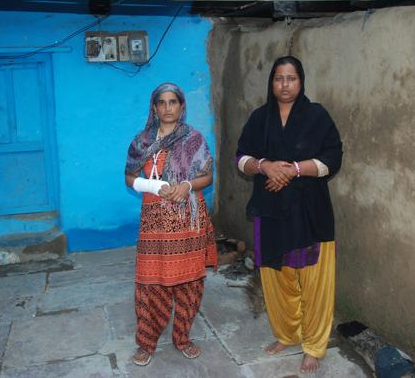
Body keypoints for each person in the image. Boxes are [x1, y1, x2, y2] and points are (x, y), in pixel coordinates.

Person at [236, 56, 343, 373]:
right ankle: (287, 333)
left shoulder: (317, 116)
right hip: (270, 212)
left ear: (301, 81)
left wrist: (295, 170)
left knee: (314, 282)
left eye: (291, 78)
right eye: (279, 78)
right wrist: (265, 166)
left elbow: (332, 159)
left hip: (310, 212)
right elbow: (241, 157)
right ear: (271, 82)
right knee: (277, 278)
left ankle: (314, 345)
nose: (285, 84)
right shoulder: (260, 118)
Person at [125, 82, 217, 366]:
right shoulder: (141, 141)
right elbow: (129, 177)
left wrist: (187, 185)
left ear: (181, 106)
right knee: (151, 281)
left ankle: (183, 337)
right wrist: (153, 186)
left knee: (188, 282)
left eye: (172, 102)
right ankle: (146, 342)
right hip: (154, 221)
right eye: (162, 103)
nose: (167, 108)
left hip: (187, 220)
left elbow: (208, 177)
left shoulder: (194, 139)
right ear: (154, 108)